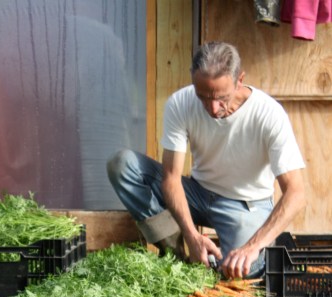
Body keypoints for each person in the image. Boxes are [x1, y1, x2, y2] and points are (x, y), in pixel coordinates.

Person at [107, 41, 306, 278]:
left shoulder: (268, 114)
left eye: (221, 97)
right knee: (122, 164)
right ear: (193, 80)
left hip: (245, 204)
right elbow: (171, 179)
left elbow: (297, 192)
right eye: (203, 97)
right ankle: (178, 253)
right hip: (198, 193)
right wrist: (192, 236)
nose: (212, 108)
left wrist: (251, 247)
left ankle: (254, 246)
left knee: (245, 269)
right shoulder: (180, 103)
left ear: (239, 80)